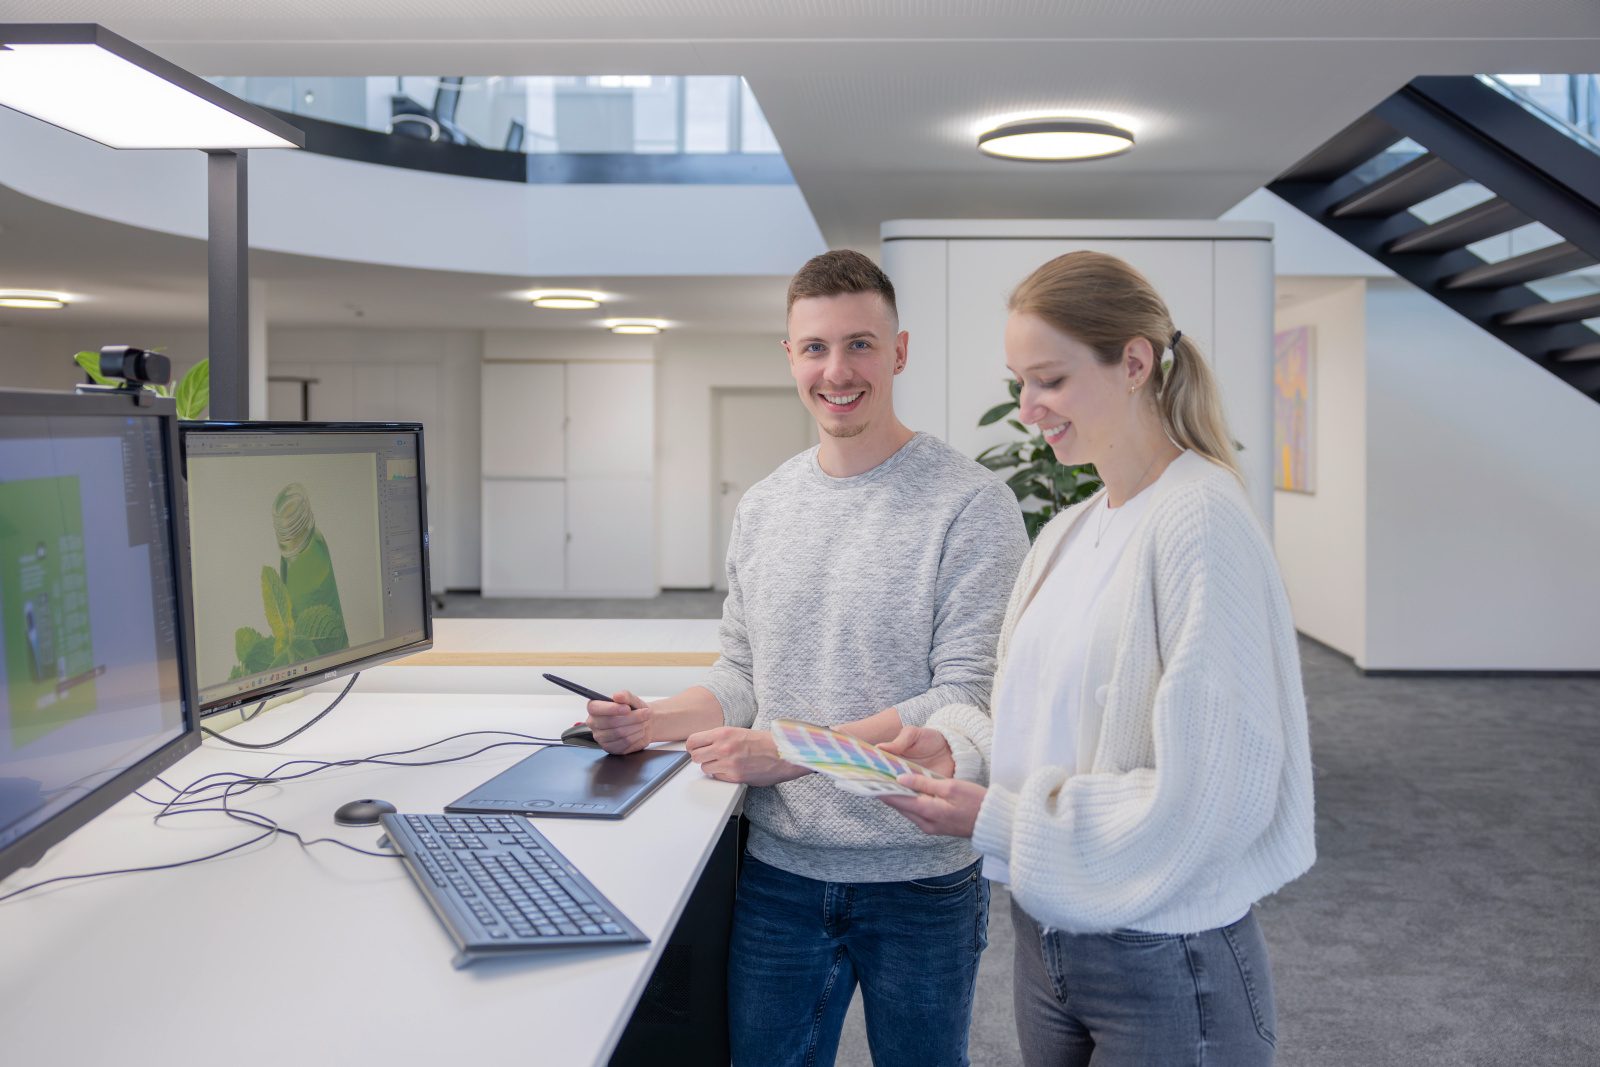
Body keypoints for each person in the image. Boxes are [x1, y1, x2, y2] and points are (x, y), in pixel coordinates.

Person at [585, 249, 1027, 1067]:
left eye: (861, 344)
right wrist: (654, 719)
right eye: (815, 347)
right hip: (779, 872)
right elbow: (743, 673)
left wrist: (794, 749)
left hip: (919, 874)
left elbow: (966, 695)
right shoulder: (765, 505)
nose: (838, 370)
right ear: (788, 355)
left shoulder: (970, 504)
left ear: (898, 351)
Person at [879, 250, 1316, 1067]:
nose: (1027, 407)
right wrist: (964, 749)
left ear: (1135, 363)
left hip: (1165, 955)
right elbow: (1036, 715)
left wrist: (996, 816)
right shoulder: (1071, 529)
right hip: (1049, 938)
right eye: (1019, 380)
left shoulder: (1200, 524)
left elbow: (1211, 795)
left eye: (1048, 379)